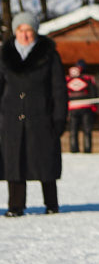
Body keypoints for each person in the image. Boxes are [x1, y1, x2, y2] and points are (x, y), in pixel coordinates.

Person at [1, 12, 66, 215]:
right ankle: (16, 205)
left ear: (35, 31)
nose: (25, 34)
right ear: (15, 32)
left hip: (42, 117)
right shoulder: (5, 55)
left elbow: (59, 89)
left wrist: (59, 118)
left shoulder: (49, 55)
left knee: (44, 161)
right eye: (21, 30)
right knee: (14, 162)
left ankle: (51, 204)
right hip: (11, 118)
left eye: (28, 30)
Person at [66, 60, 98, 153]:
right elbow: (94, 93)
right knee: (87, 131)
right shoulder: (88, 78)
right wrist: (94, 107)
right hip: (86, 107)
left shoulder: (67, 79)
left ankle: (74, 150)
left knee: (73, 131)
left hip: (72, 108)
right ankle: (87, 150)